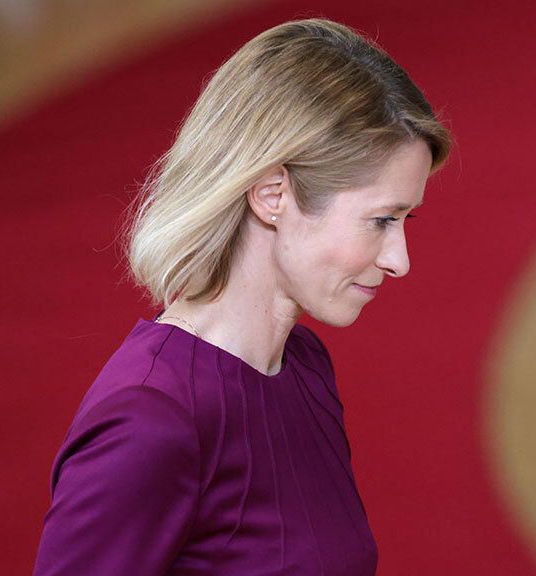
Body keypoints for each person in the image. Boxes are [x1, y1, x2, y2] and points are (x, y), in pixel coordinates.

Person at [32, 18, 450, 575]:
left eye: (405, 219)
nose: (399, 260)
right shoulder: (151, 422)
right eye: (380, 220)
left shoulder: (303, 366)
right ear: (272, 194)